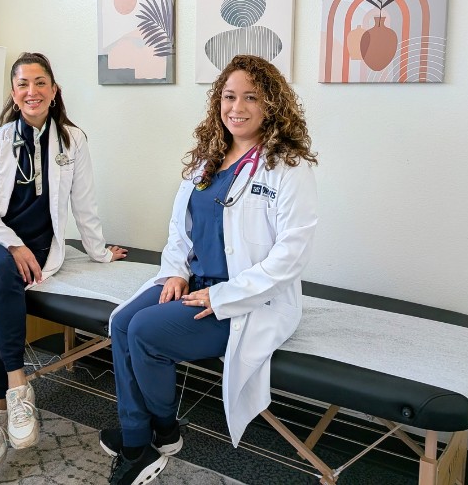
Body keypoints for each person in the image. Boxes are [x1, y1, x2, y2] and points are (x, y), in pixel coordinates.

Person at [101, 55, 318, 485]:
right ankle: (144, 434)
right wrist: (177, 272)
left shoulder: (288, 168)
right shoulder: (208, 158)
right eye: (229, 96)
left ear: (271, 104)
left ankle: (154, 432)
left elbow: (292, 255)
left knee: (145, 331)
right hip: (194, 280)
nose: (237, 107)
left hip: (247, 298)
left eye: (251, 98)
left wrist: (222, 296)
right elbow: (181, 228)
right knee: (124, 321)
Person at [0, 51, 127, 473]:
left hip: (39, 249)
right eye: (23, 84)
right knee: (1, 269)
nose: (32, 91)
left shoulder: (73, 141)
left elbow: (84, 204)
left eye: (40, 83)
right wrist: (12, 244)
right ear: (14, 93)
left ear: (54, 91)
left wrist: (100, 251)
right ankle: (19, 386)